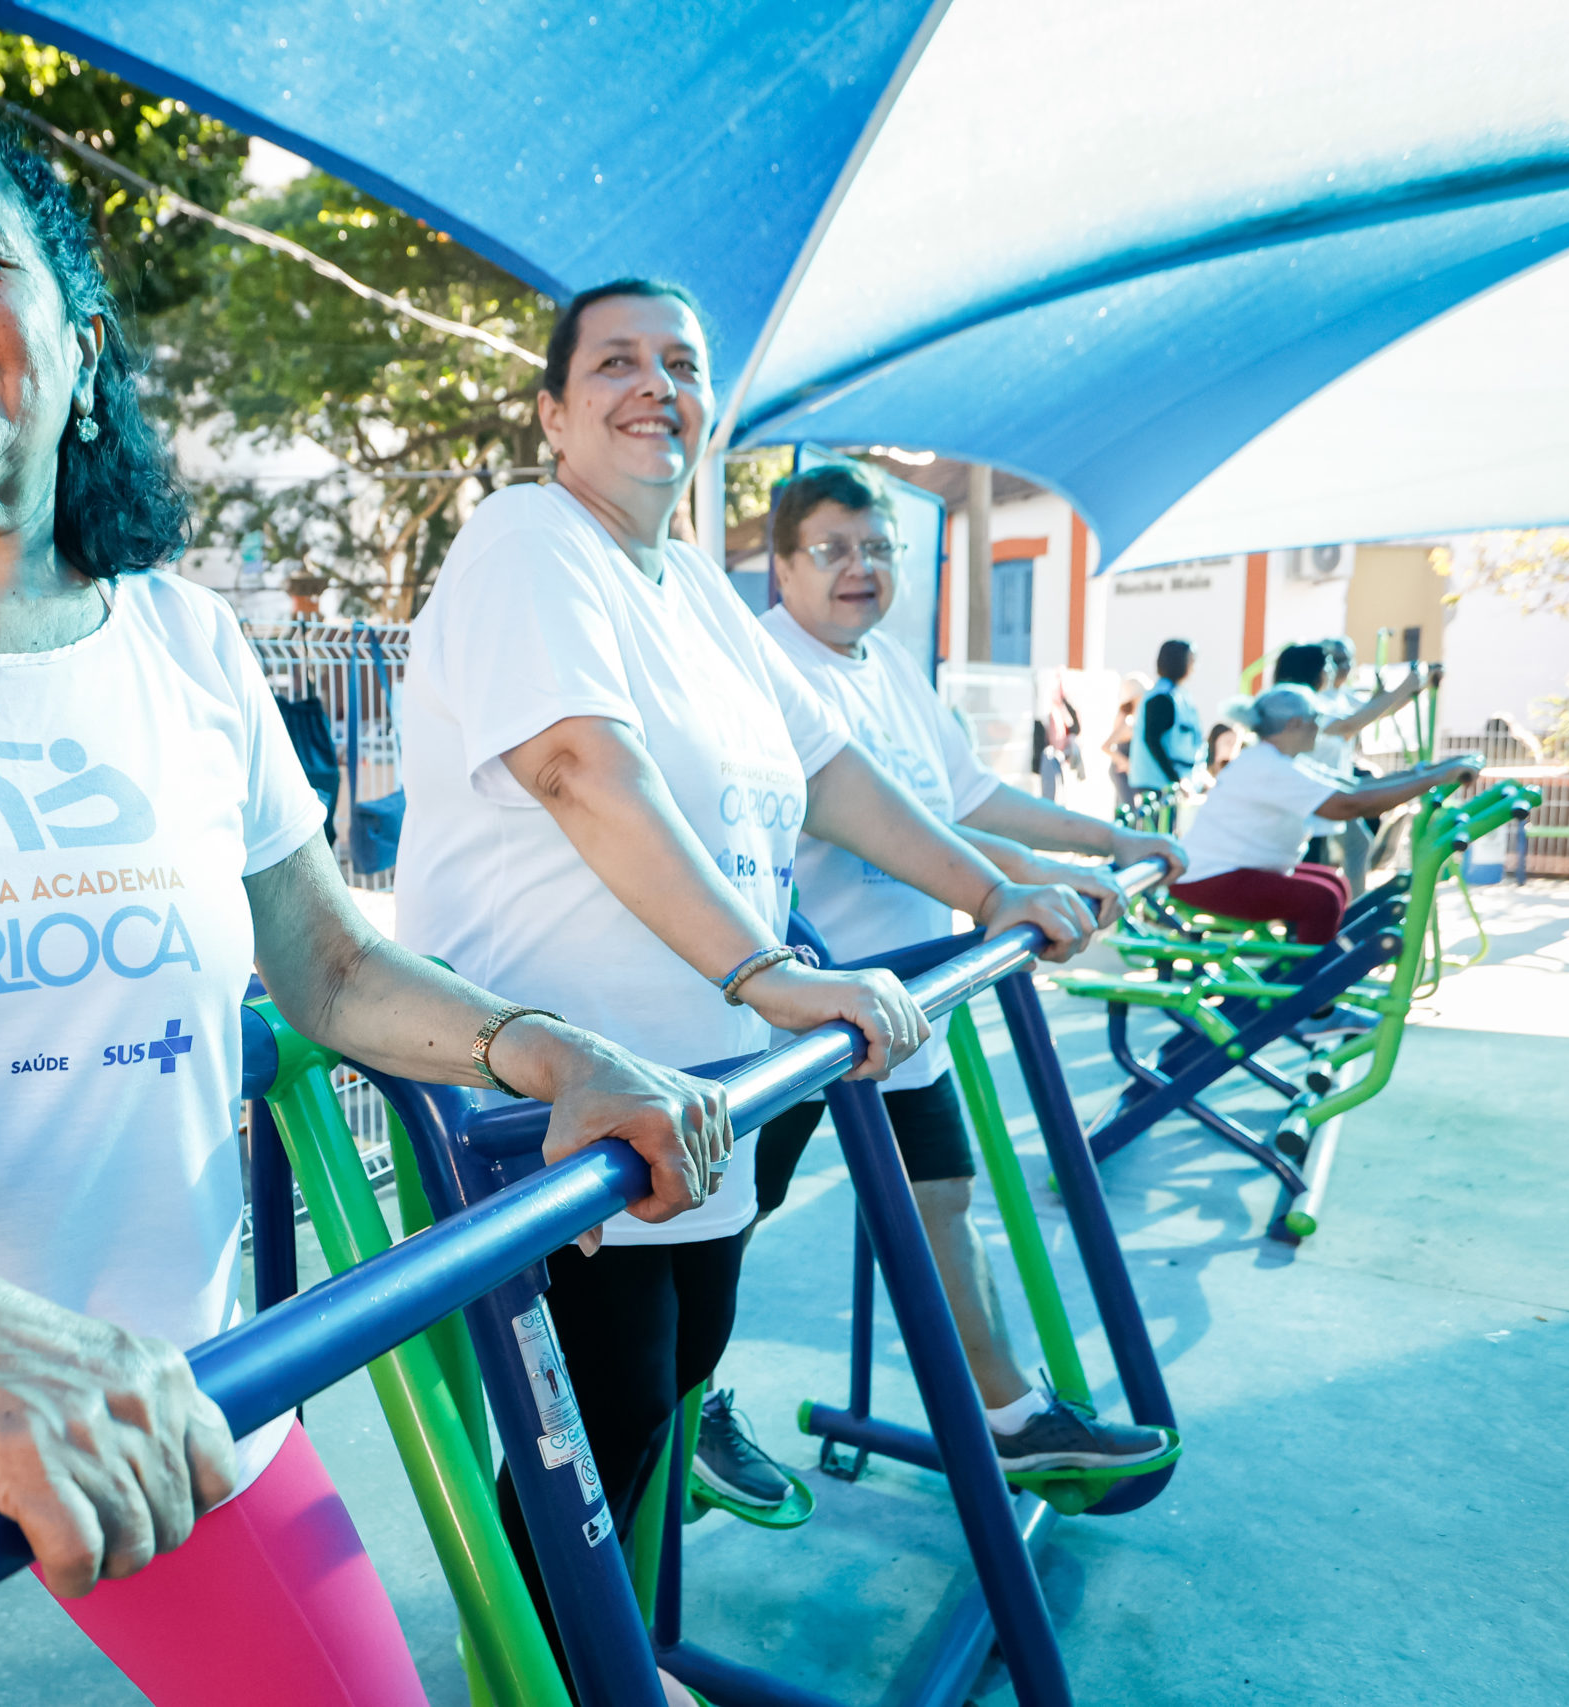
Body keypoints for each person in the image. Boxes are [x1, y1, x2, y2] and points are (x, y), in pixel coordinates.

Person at [0, 106, 735, 1707]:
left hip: (163, 1400)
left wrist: (541, 1046)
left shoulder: (179, 637)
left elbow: (333, 961)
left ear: (81, 342)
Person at [392, 278, 1096, 1694]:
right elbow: (585, 765)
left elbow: (834, 775)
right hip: (553, 1109)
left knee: (662, 1412)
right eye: (616, 363)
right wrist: (772, 970)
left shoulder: (699, 595)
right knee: (583, 1474)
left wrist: (988, 888)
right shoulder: (533, 541)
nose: (654, 384)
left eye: (682, 364)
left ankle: (624, 1663)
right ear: (552, 409)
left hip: (701, 1103)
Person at [738, 458, 1183, 1490]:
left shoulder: (886, 665)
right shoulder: (765, 665)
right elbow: (884, 824)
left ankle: (1012, 1417)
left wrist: (1091, 845)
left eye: (878, 548)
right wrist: (1009, 888)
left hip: (906, 1001)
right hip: (800, 1012)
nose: (860, 569)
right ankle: (688, 1412)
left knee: (942, 1199)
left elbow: (966, 798)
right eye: (833, 549)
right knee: (724, 1226)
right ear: (783, 567)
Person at [1174, 687, 1480, 970]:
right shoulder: (1269, 767)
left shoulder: (1278, 759)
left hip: (1221, 872)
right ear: (1294, 724)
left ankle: (1316, 975)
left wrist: (1428, 773)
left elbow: (1355, 785)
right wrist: (1432, 779)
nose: (1318, 727)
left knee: (1333, 883)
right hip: (1209, 878)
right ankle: (1314, 1007)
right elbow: (1350, 806)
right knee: (1321, 899)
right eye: (1314, 720)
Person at [1275, 637, 1435, 895]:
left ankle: (1349, 909)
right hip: (1309, 797)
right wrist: (1403, 689)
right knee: (1314, 864)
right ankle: (1324, 918)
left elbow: (1373, 713)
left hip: (1326, 790)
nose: (1335, 668)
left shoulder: (1330, 699)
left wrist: (1407, 690)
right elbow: (1348, 726)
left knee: (1353, 848)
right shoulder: (1301, 704)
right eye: (1330, 662)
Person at [1129, 638, 1204, 801]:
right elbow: (1152, 740)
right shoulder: (1162, 697)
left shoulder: (1180, 696)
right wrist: (1177, 778)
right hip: (1156, 786)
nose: (1193, 666)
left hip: (1172, 783)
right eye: (1190, 660)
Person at [1105, 672, 1151, 803]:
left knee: (1126, 809)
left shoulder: (1136, 719)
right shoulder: (1128, 721)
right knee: (1129, 811)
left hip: (1129, 773)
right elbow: (1106, 746)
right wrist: (1126, 763)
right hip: (1121, 771)